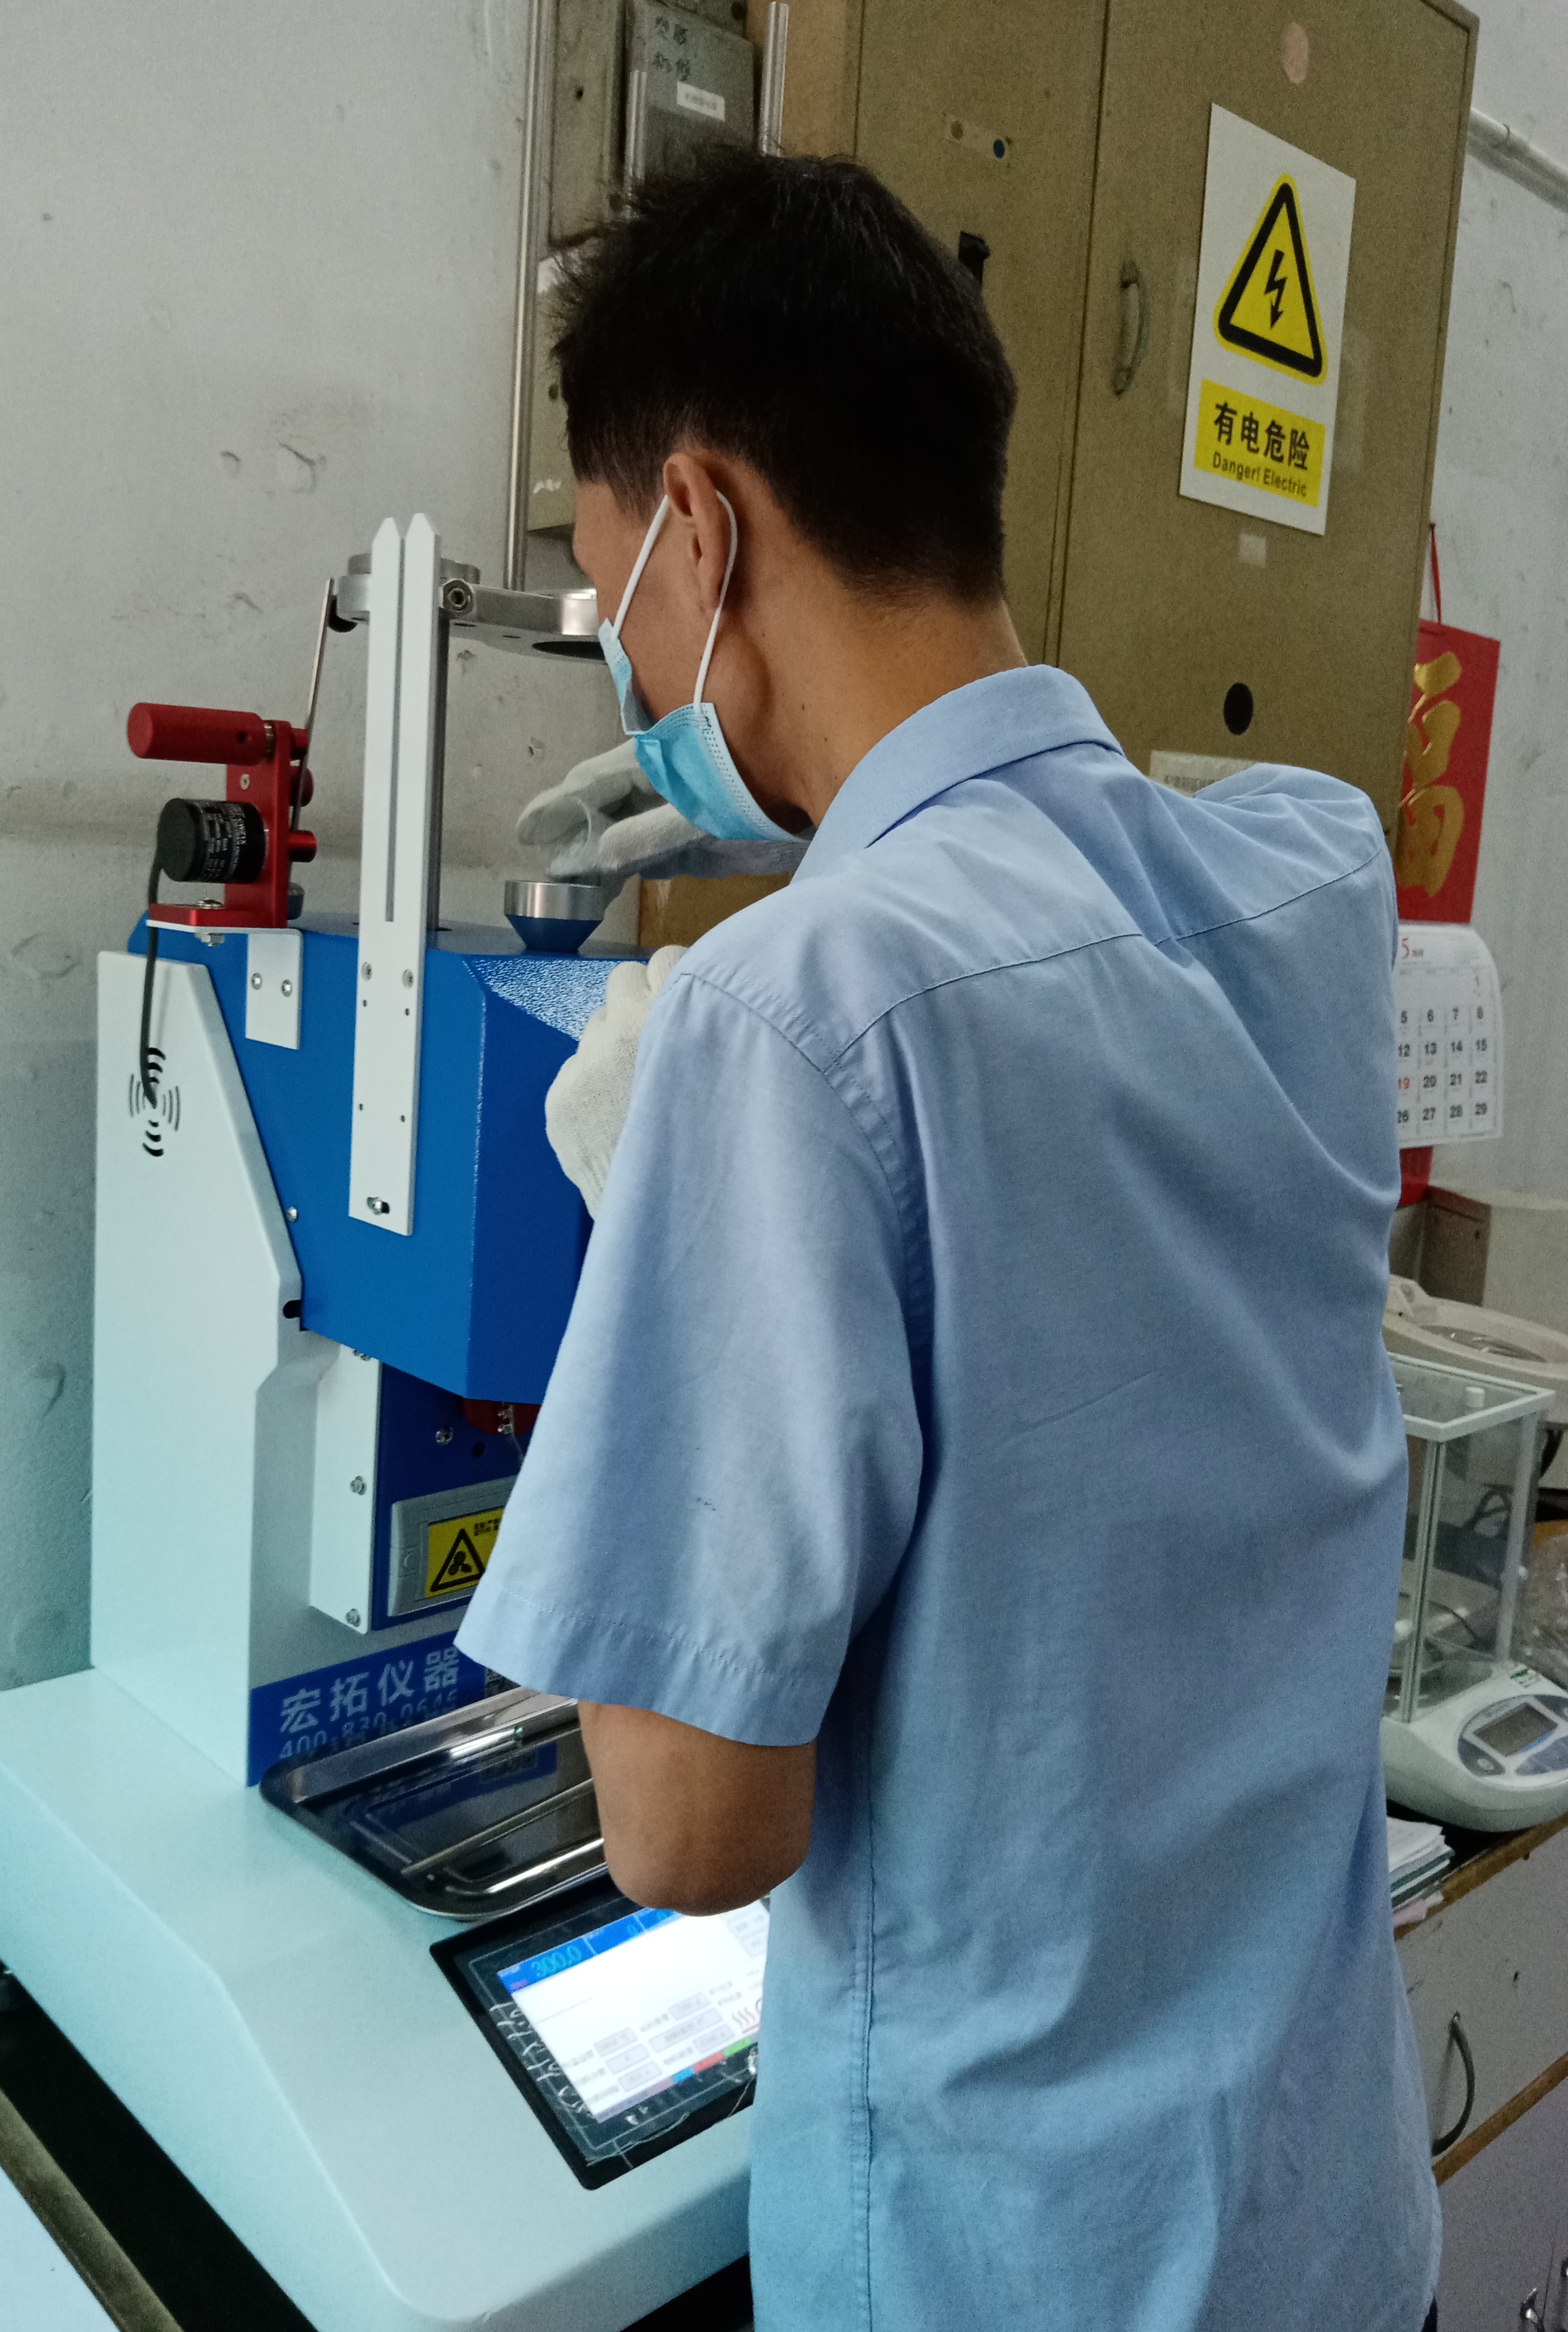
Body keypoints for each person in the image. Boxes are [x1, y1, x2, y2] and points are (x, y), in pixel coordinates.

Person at [456, 151, 1438, 2332]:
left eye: (616, 607)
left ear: (701, 525)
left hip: (1028, 2259)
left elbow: (690, 1833)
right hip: (1327, 2219)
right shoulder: (1309, 877)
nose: (634, 675)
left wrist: (665, 1220)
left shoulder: (792, 1018)